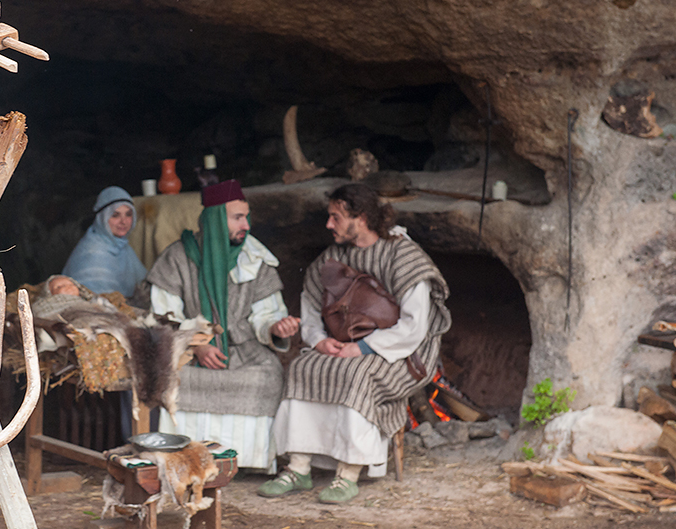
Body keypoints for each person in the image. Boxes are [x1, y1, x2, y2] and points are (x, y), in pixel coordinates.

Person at [259, 183, 450, 504]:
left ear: (360, 217)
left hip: (401, 353)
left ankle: (348, 474)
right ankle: (299, 468)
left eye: (335, 217)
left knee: (356, 374)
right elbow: (309, 304)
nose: (328, 224)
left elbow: (415, 325)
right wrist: (319, 342)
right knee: (304, 366)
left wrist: (362, 348)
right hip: (342, 344)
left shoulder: (402, 255)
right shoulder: (331, 257)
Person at [146, 179, 300, 471]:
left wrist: (274, 328)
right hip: (190, 351)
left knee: (266, 376)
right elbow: (162, 316)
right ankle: (185, 460)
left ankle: (249, 461)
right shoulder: (177, 258)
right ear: (216, 219)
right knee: (175, 378)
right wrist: (197, 343)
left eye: (247, 216)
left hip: (243, 350)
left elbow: (265, 314)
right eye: (238, 217)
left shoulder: (256, 259)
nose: (247, 224)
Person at [61, 186, 146, 298]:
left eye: (128, 214)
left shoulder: (122, 246)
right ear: (102, 218)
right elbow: (99, 304)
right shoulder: (93, 252)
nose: (123, 221)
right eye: (115, 215)